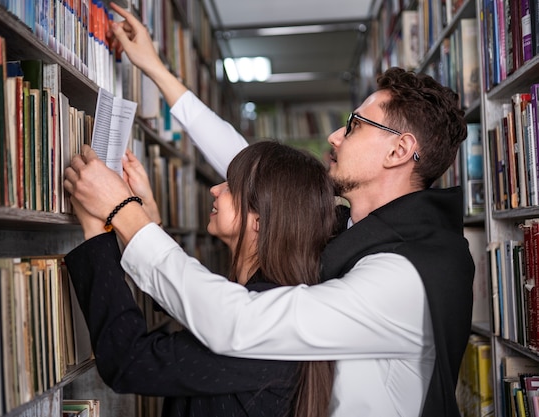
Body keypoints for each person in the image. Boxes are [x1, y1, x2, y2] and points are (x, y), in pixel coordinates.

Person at [63, 4, 475, 416]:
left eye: (354, 125)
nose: (334, 136)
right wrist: (157, 70)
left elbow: (238, 322)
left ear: (399, 150)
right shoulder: (353, 229)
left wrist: (125, 213)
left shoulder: (404, 274)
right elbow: (256, 171)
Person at [64, 141, 336, 417]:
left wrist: (98, 233)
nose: (214, 189)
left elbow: (129, 361)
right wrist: (146, 220)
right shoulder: (267, 298)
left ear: (260, 221)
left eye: (230, 186)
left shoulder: (266, 325)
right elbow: (197, 307)